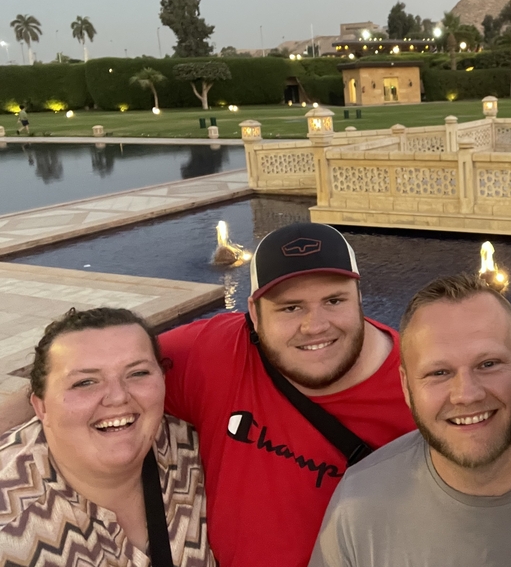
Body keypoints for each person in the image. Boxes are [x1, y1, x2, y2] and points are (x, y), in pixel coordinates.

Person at [0, 222, 416, 567]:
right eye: (290, 307)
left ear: (361, 301)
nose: (315, 325)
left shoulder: (422, 386)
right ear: (252, 315)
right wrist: (45, 399)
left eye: (334, 300)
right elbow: (113, 366)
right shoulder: (215, 352)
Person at [310, 273, 511, 567]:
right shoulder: (357, 508)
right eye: (439, 373)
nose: (466, 394)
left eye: (488, 364)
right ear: (407, 387)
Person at [0, 307, 214, 566]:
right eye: (85, 382)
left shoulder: (200, 452)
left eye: (138, 373)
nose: (118, 397)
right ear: (41, 406)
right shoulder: (11, 527)